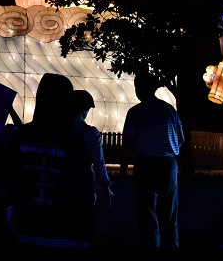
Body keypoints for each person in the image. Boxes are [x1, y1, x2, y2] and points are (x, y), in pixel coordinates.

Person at [8, 73, 94, 247]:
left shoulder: (21, 136)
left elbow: (9, 181)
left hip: (26, 230)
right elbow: (84, 190)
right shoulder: (74, 141)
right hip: (64, 233)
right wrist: (85, 237)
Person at [120, 71, 185, 247]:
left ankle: (151, 246)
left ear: (139, 89)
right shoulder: (168, 109)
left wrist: (123, 168)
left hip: (145, 164)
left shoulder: (135, 113)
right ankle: (172, 246)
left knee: (146, 212)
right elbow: (181, 139)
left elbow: (128, 144)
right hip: (168, 164)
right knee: (169, 213)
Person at [71, 89, 114, 244]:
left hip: (62, 179)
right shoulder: (90, 132)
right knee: (84, 223)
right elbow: (99, 164)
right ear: (85, 110)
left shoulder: (59, 129)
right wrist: (105, 185)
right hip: (84, 182)